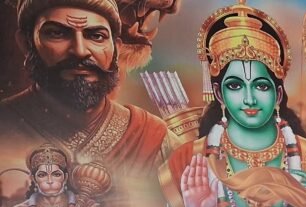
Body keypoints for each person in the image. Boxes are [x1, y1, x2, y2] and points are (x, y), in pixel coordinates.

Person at [160, 0, 306, 207]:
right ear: (219, 94)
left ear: (278, 95)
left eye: (261, 86)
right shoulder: (188, 161)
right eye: (235, 86)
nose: (249, 99)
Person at [0, 0, 179, 177]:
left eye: (97, 36)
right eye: (57, 33)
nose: (80, 51)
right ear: (26, 43)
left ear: (115, 47)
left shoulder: (154, 138)